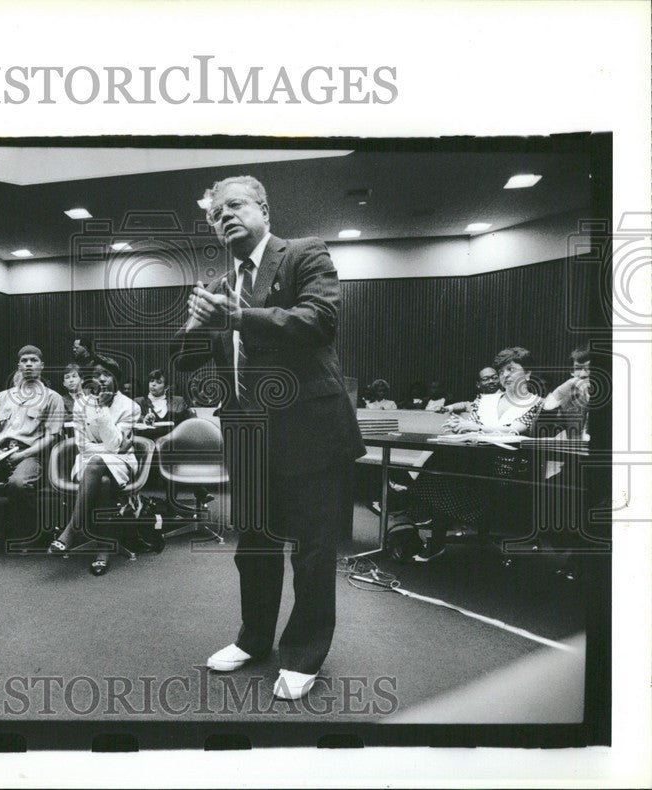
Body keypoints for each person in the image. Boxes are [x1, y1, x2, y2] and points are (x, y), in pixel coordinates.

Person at [172, 174, 364, 700]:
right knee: (252, 549)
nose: (225, 217)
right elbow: (184, 357)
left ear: (264, 210)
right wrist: (195, 323)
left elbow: (318, 319)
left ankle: (303, 654)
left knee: (310, 550)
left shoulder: (304, 253)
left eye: (235, 206)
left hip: (309, 431)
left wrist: (238, 317)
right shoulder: (217, 288)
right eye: (216, 214)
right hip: (248, 435)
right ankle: (254, 640)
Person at [408, 347, 544, 561]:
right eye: (501, 371)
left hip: (507, 465)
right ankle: (431, 526)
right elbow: (473, 425)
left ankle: (412, 501)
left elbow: (516, 429)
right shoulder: (485, 399)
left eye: (511, 369)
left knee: (445, 468)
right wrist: (459, 425)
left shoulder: (536, 403)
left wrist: (473, 428)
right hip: (475, 460)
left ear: (527, 374)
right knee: (445, 460)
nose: (505, 375)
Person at [0, 346, 64, 552]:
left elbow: (52, 437)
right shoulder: (3, 397)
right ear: (19, 366)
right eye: (24, 361)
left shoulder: (53, 398)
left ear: (42, 365)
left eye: (33, 360)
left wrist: (22, 454)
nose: (28, 365)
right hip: (1, 454)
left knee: (19, 484)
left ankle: (29, 532)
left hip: (31, 455)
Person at [47, 355, 142, 577]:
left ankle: (72, 530)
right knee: (104, 481)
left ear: (116, 379)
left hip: (123, 464)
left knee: (100, 462)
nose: (101, 379)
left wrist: (101, 410)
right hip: (89, 463)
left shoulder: (131, 407)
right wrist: (112, 448)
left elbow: (117, 445)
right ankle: (103, 549)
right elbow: (83, 447)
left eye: (106, 374)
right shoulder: (81, 404)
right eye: (96, 375)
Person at [542, 347, 591, 439]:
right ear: (571, 372)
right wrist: (561, 390)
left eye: (589, 368)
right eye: (578, 368)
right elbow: (544, 431)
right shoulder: (569, 400)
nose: (583, 374)